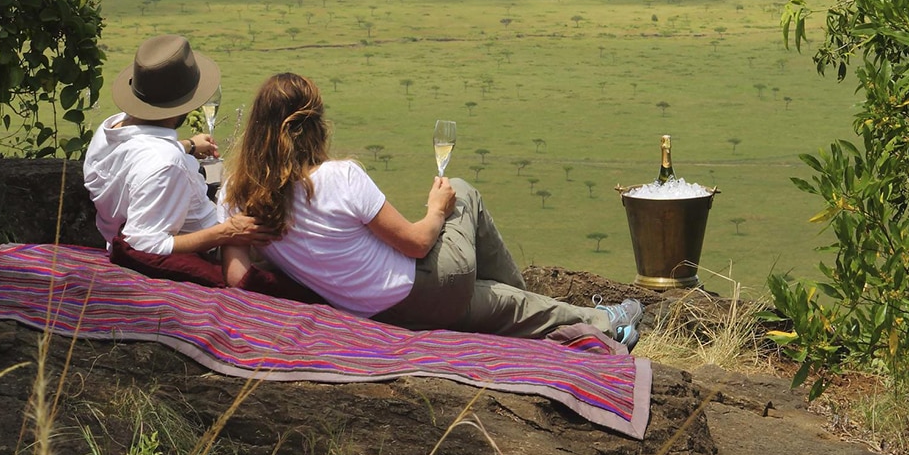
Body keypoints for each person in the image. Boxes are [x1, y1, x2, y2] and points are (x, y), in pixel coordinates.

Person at [222, 71, 643, 347]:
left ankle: (608, 324)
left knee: (502, 304)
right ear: (316, 125)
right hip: (426, 285)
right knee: (460, 189)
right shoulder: (339, 177)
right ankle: (605, 323)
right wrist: (436, 208)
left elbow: (238, 279)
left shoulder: (237, 196)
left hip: (381, 315)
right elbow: (419, 244)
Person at [84, 34, 311, 298]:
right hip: (208, 245)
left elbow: (138, 156)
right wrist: (228, 232)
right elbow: (144, 244)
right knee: (298, 249)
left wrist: (188, 145)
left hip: (126, 223)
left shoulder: (110, 129)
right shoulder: (165, 164)